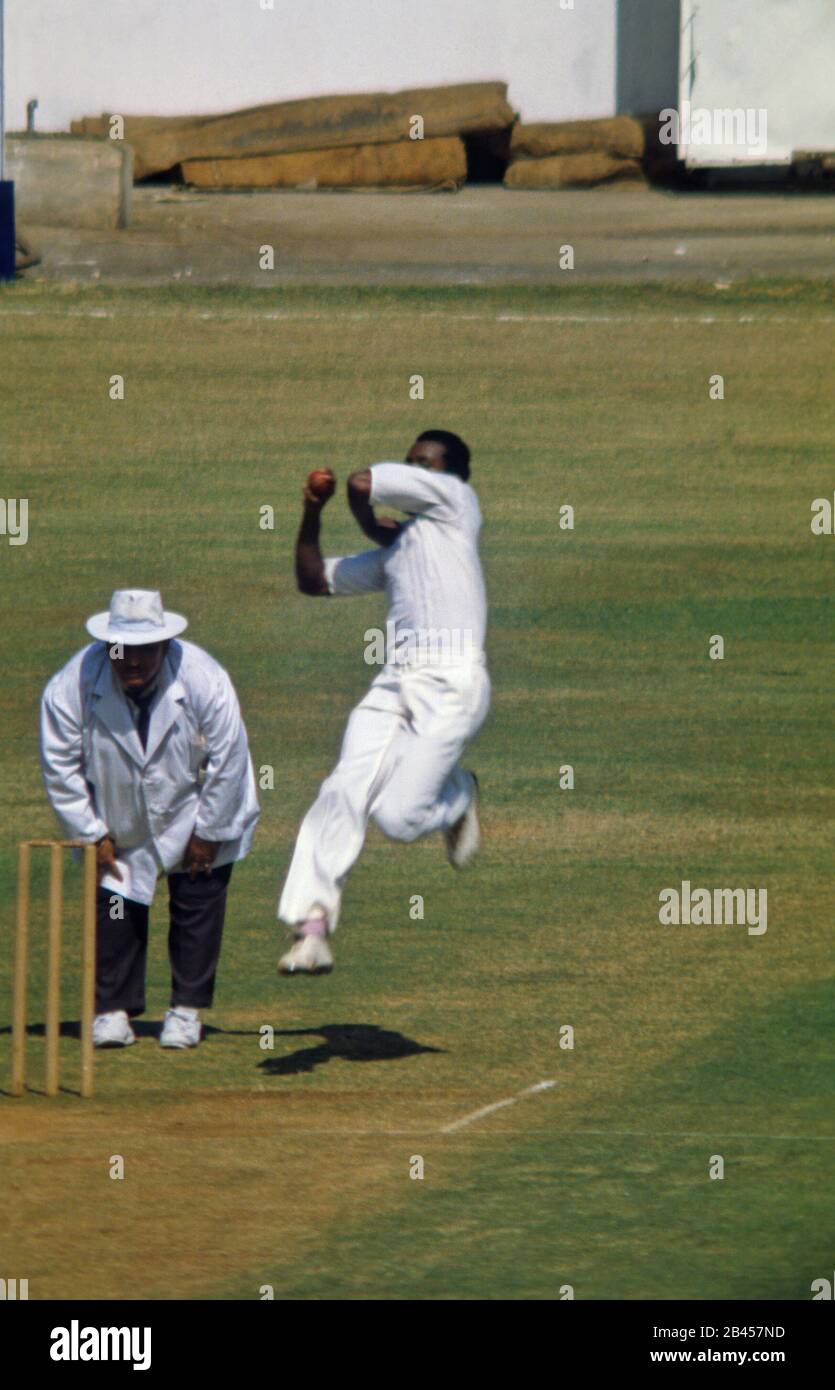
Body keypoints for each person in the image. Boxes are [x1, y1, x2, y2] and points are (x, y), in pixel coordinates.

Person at [278, 429, 490, 975]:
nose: (415, 469)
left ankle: (460, 795)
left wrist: (363, 510)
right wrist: (311, 511)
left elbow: (361, 482)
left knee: (397, 819)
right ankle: (313, 925)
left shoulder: (457, 505)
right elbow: (312, 582)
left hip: (452, 682)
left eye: (426, 464)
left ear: (450, 476)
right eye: (411, 462)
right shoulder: (402, 549)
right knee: (344, 786)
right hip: (395, 681)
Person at [40, 589, 259, 1049]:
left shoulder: (203, 678)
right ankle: (113, 1010)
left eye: (145, 651)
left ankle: (185, 1011)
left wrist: (210, 830)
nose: (132, 662)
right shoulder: (71, 685)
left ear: (164, 645)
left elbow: (230, 757)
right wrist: (91, 832)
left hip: (194, 804)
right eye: (121, 651)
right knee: (117, 905)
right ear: (107, 647)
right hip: (118, 816)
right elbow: (59, 764)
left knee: (196, 900)